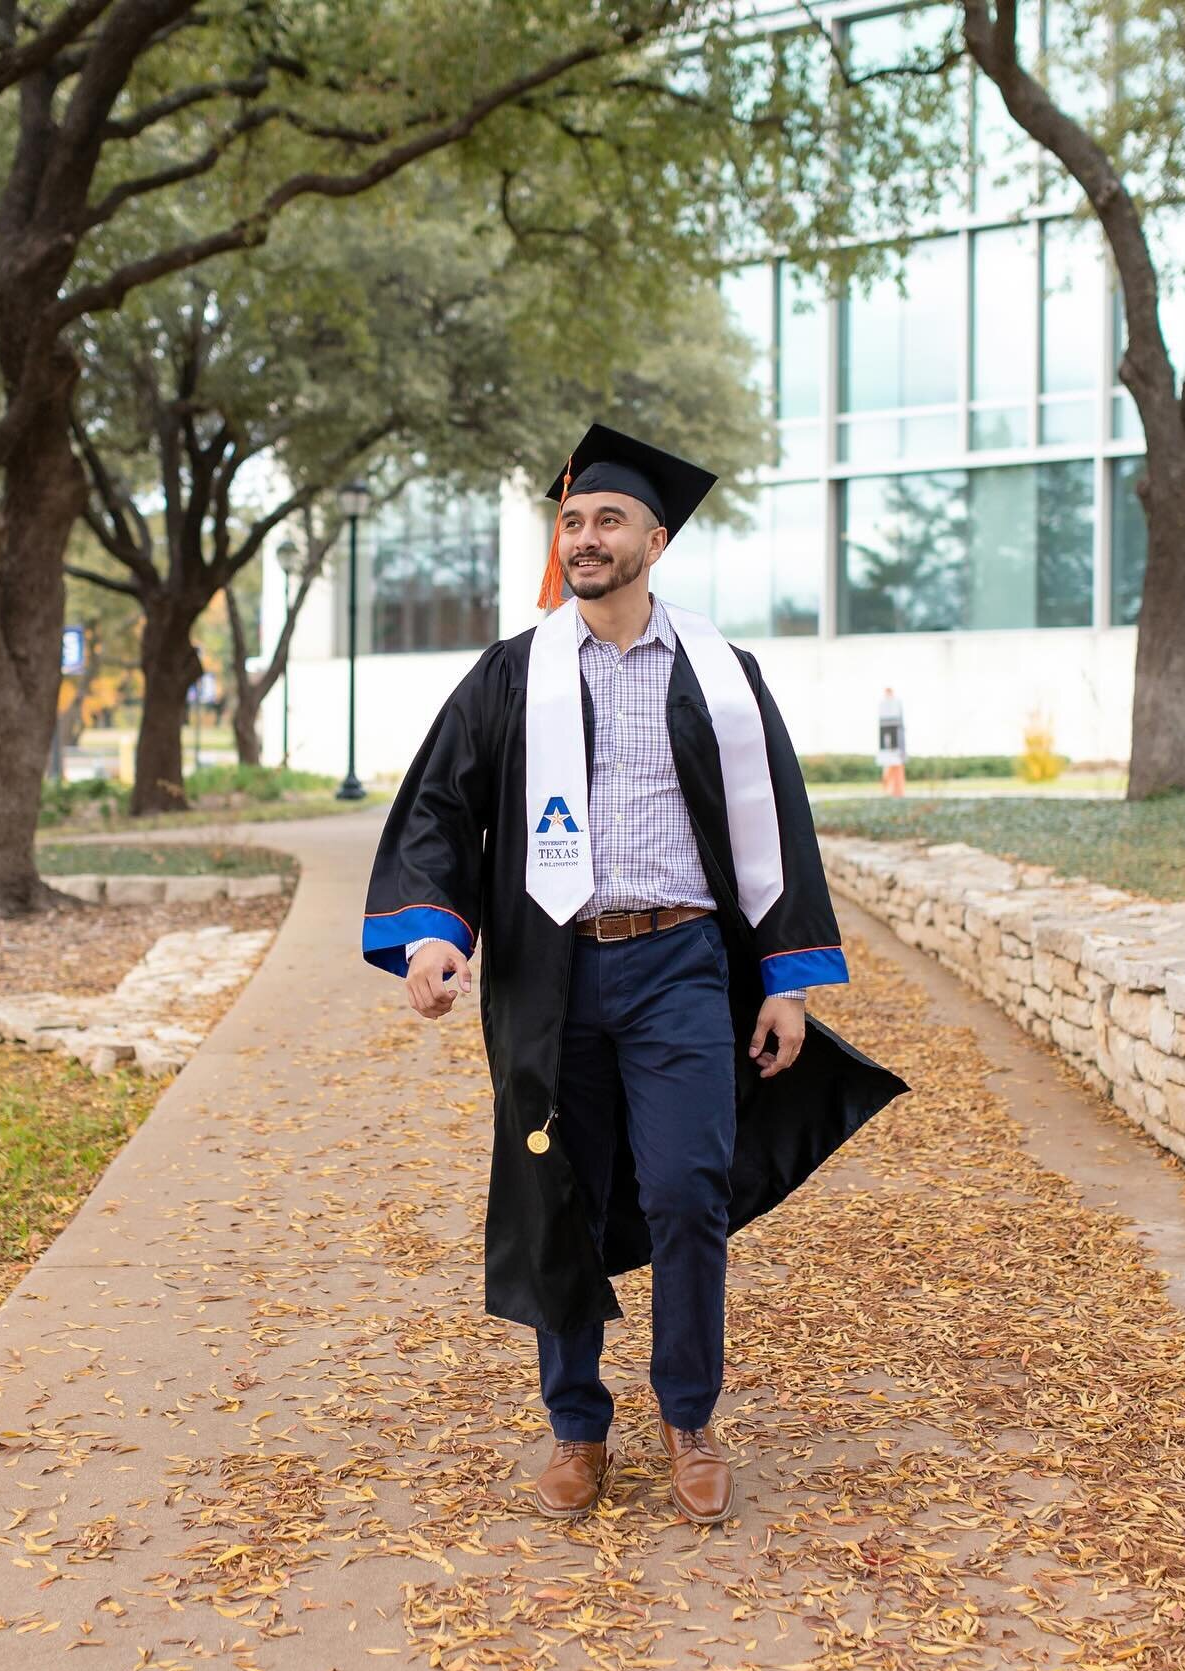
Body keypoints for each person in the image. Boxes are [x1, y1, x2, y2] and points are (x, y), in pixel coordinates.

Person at [362, 423, 906, 1526]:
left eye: (609, 520)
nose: (587, 538)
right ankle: (575, 1427)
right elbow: (437, 809)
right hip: (554, 971)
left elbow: (774, 828)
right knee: (557, 1191)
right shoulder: (514, 674)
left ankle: (690, 1417)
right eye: (572, 521)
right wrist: (432, 935)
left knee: (686, 1192)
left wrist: (784, 981)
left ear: (655, 538)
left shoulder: (721, 676)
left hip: (680, 966)